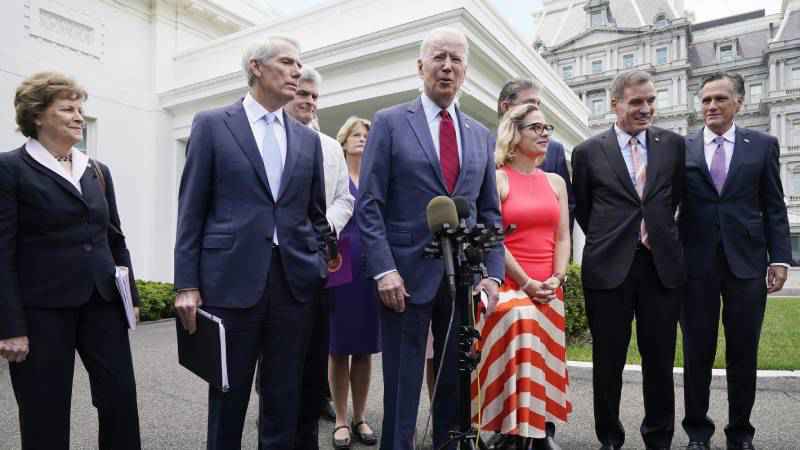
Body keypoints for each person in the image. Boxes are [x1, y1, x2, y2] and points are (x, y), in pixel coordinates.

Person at [173, 37, 332, 450]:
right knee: (228, 397)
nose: (298, 71)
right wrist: (186, 283)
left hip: (293, 285)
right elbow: (191, 209)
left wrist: (315, 263)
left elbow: (315, 214)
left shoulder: (307, 140)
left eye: (300, 64)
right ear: (257, 67)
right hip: (229, 282)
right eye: (287, 62)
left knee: (284, 398)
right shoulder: (211, 124)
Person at [357, 27, 504, 450]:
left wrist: (492, 276)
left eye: (456, 59)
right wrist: (383, 269)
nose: (447, 66)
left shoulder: (480, 133)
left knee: (455, 385)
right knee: (403, 386)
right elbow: (370, 205)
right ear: (420, 66)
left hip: (464, 279)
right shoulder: (388, 123)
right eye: (438, 57)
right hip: (402, 276)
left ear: (466, 71)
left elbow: (489, 210)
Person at [0, 71, 141, 450]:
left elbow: (115, 238)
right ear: (37, 115)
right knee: (44, 410)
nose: (79, 116)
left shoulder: (97, 171)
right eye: (67, 109)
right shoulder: (9, 169)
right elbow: (2, 251)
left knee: (120, 402)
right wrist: (9, 325)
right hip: (42, 311)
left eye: (80, 109)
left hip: (103, 303)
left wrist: (133, 301)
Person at [571, 69, 686, 450]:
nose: (646, 108)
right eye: (637, 102)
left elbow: (676, 198)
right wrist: (614, 239)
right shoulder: (588, 152)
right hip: (608, 269)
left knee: (659, 361)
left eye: (651, 100)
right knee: (608, 362)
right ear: (615, 103)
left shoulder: (672, 144)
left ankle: (659, 439)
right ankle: (609, 438)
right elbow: (584, 210)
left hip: (660, 268)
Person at [679, 72, 791, 450]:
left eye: (720, 99)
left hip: (747, 263)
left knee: (744, 350)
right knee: (697, 351)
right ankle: (698, 433)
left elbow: (774, 205)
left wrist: (780, 258)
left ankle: (740, 433)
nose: (711, 106)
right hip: (695, 267)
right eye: (706, 99)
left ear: (739, 102)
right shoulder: (684, 148)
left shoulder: (762, 145)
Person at [475, 103, 571, 450]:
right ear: (514, 134)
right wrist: (528, 284)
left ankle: (538, 432)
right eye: (536, 128)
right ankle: (512, 433)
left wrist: (557, 279)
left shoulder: (556, 181)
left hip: (549, 287)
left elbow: (562, 236)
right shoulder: (498, 177)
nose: (545, 134)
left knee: (543, 362)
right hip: (512, 286)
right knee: (519, 354)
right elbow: (495, 239)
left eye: (547, 128)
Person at [283, 66, 354, 450]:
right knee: (276, 351)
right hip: (275, 261)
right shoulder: (272, 141)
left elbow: (345, 197)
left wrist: (322, 226)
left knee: (314, 346)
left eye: (314, 97)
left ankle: (309, 420)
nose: (309, 102)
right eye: (302, 94)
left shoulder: (329, 147)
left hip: (317, 258)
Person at [328, 116, 381, 449]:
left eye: (366, 135)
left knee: (364, 347)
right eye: (356, 135)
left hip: (371, 264)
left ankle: (360, 417)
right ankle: (340, 419)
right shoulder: (335, 175)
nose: (362, 139)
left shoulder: (376, 178)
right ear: (343, 140)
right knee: (338, 347)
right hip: (339, 262)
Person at [497, 79, 575, 230]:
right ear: (506, 107)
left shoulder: (554, 150)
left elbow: (568, 207)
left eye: (538, 104)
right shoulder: (485, 148)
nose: (537, 110)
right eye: (530, 104)